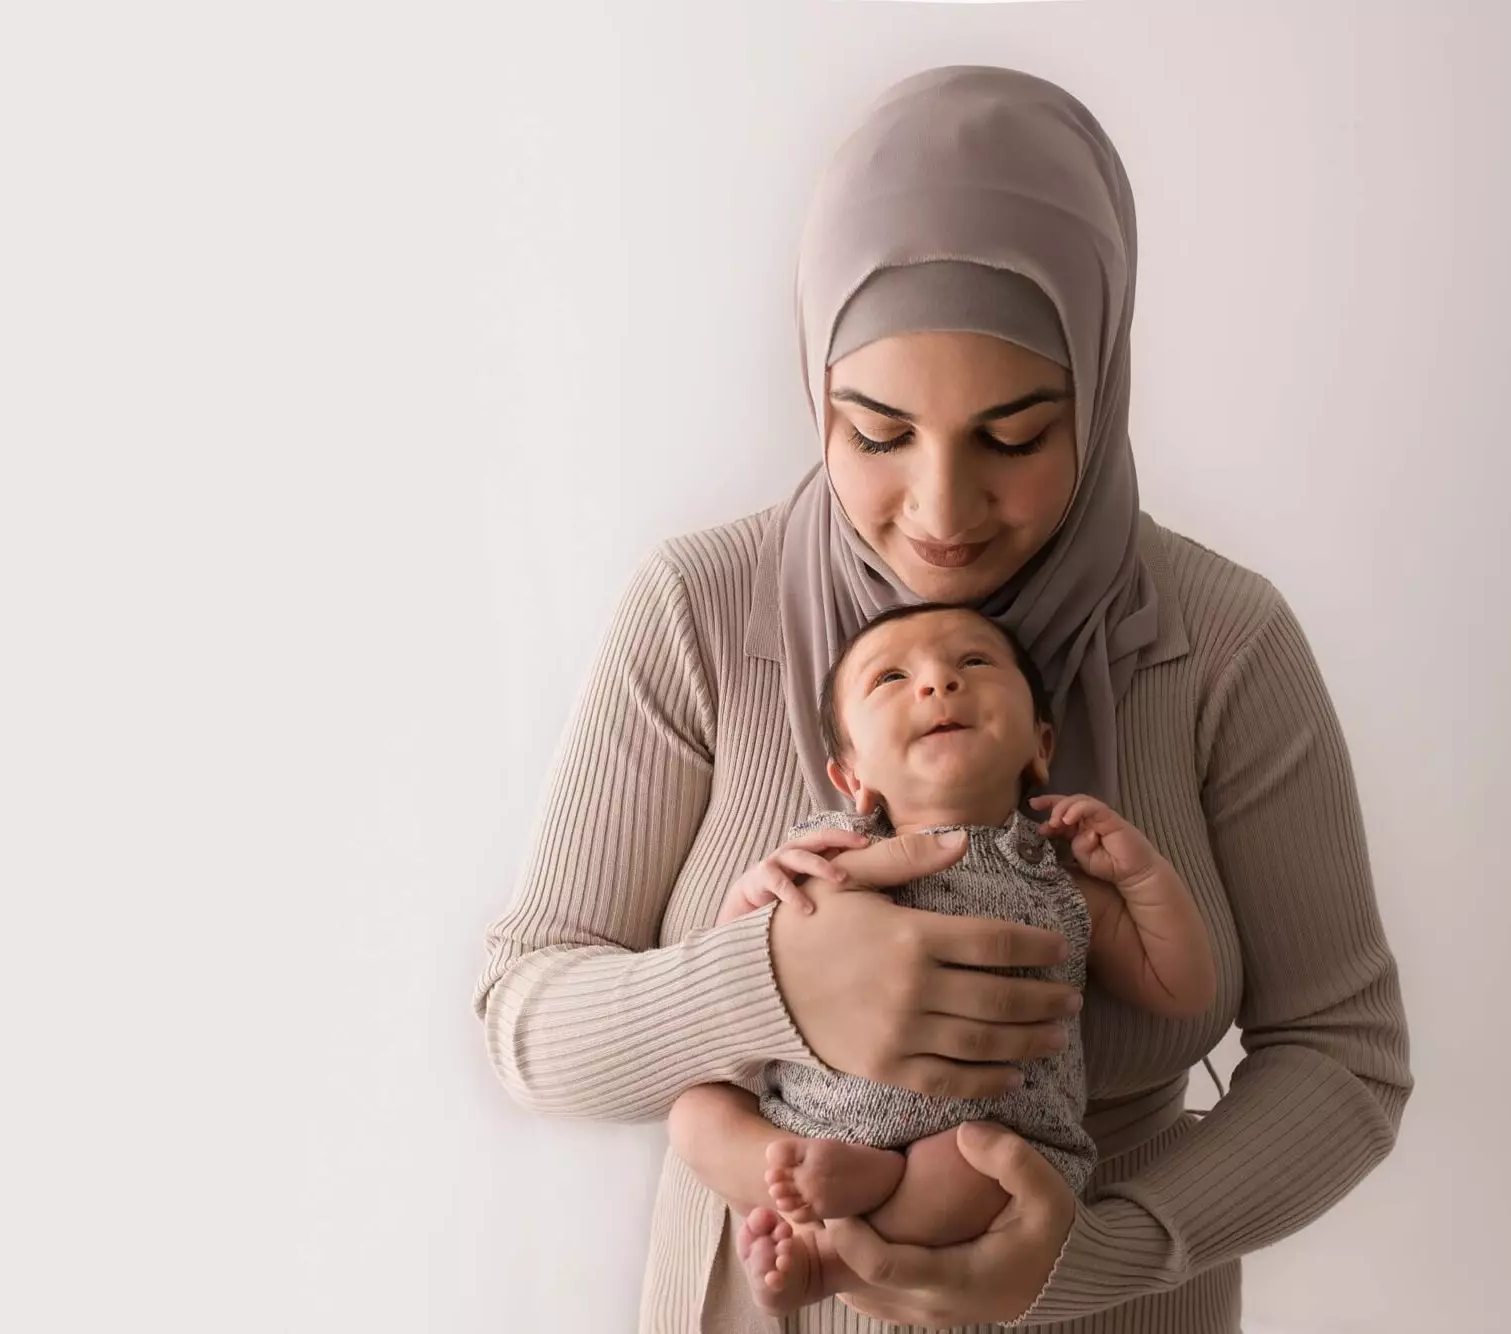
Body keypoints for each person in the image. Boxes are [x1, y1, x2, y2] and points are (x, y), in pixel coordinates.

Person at [475, 64, 1413, 1332]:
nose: (939, 513)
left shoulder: (1218, 642)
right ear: (815, 388)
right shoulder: (703, 608)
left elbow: (1343, 1055)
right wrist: (769, 979)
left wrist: (1096, 1250)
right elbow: (525, 1021)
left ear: (1101, 377)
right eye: (873, 433)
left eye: (1016, 437)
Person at [665, 603, 1215, 1316]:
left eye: (974, 664)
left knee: (990, 1166)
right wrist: (750, 902)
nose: (937, 684)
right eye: (892, 677)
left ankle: (830, 1256)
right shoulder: (822, 855)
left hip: (978, 1132)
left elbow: (1181, 986)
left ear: (1039, 744)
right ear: (851, 774)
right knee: (695, 1115)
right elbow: (730, 985)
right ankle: (820, 1190)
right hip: (806, 1122)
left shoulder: (1058, 876)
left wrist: (1141, 877)